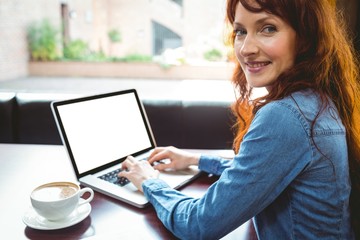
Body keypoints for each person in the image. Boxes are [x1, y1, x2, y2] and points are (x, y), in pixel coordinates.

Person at [119, 0, 360, 239]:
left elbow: (197, 225)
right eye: (240, 31)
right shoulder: (318, 100)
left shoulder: (286, 116)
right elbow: (259, 172)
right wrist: (196, 159)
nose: (245, 48)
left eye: (268, 28)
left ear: (305, 37)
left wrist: (150, 182)